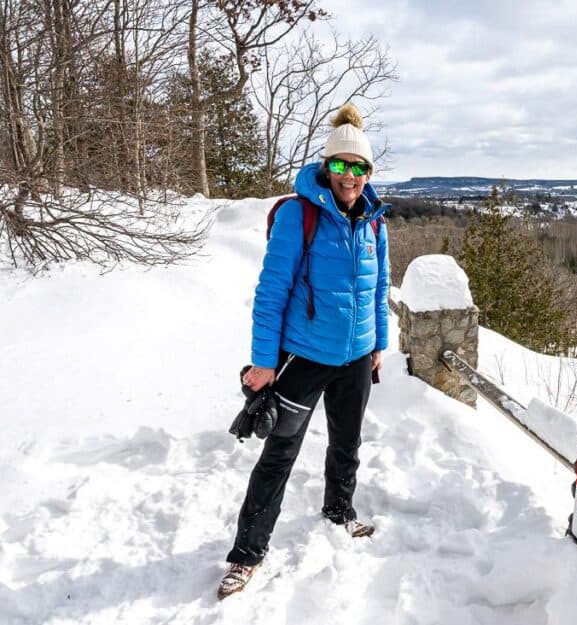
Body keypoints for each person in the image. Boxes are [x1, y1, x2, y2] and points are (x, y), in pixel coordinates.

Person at [218, 103, 390, 600]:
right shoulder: (299, 214)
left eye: (359, 168)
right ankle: (246, 554)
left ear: (368, 173)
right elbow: (271, 292)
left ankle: (340, 513)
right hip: (304, 357)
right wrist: (264, 360)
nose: (349, 176)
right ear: (326, 166)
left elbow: (377, 290)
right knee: (279, 453)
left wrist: (378, 343)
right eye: (340, 165)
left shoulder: (376, 222)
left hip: (356, 358)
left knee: (346, 444)